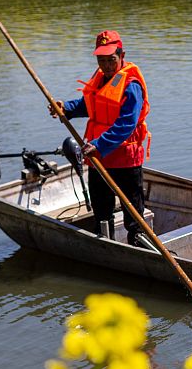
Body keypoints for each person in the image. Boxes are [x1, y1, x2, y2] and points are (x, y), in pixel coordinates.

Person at [48, 30, 150, 244]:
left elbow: (126, 124)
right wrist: (65, 108)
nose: (106, 65)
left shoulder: (131, 85)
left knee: (133, 217)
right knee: (102, 212)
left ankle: (139, 246)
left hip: (123, 159)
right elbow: (89, 104)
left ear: (122, 55)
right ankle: (106, 247)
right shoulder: (100, 79)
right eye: (101, 60)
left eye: (110, 60)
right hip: (98, 159)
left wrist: (99, 145)